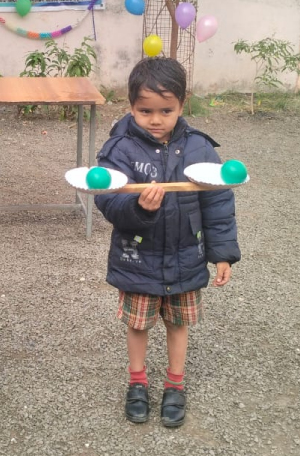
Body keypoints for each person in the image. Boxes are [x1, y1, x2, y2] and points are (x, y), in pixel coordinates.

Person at [94, 57, 240, 428]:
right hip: (137, 258)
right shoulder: (120, 149)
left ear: (182, 104)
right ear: (131, 105)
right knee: (138, 324)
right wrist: (138, 207)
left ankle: (175, 384)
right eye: (145, 111)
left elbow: (218, 202)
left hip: (186, 255)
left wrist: (222, 254)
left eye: (166, 110)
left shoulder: (199, 148)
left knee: (178, 323)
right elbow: (107, 200)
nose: (156, 119)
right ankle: (137, 382)